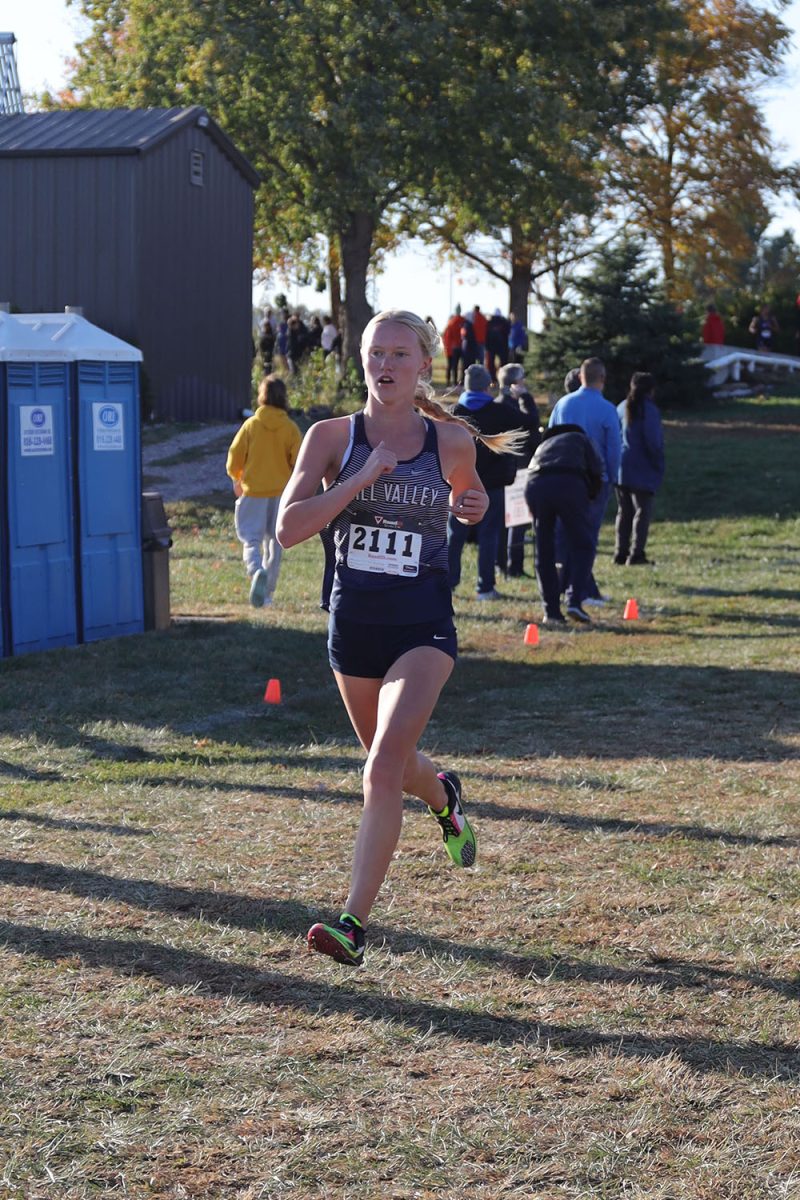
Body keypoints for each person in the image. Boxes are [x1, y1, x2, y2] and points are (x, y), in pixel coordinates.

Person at [277, 309, 520, 968]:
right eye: (375, 354)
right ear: (362, 362)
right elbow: (289, 529)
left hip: (423, 626)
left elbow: (470, 501)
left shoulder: (449, 441)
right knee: (401, 768)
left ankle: (353, 923)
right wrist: (359, 477)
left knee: (381, 768)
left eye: (399, 355)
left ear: (422, 367)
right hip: (353, 625)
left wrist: (473, 506)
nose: (386, 366)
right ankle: (444, 797)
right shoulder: (330, 436)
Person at [447, 362, 535, 599]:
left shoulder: (454, 412)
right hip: (493, 485)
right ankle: (485, 587)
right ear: (488, 387)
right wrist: (525, 398)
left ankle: (447, 583)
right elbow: (530, 424)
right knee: (489, 536)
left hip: (459, 483)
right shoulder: (501, 412)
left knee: (454, 536)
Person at [548, 357, 621, 623]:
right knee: (586, 538)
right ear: (602, 379)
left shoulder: (563, 404)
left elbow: (551, 439)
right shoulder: (607, 409)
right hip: (593, 481)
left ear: (580, 377)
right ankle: (582, 591)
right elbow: (613, 448)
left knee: (564, 536)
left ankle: (564, 587)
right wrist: (611, 478)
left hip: (562, 478)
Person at [226, 375, 302, 608]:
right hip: (280, 494)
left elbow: (234, 458)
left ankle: (255, 569)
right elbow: (299, 462)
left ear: (262, 396)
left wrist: (236, 478)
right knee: (275, 545)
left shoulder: (251, 426)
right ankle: (267, 594)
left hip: (253, 492)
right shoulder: (290, 428)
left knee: (251, 539)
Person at [525, 423, 604, 625]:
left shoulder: (544, 445)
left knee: (544, 549)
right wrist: (590, 498)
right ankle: (574, 600)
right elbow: (596, 471)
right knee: (583, 545)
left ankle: (550, 612)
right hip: (570, 484)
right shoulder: (582, 440)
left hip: (535, 484)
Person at [614, 372, 665, 566]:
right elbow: (653, 441)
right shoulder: (649, 411)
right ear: (651, 391)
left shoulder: (621, 407)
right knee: (642, 511)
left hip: (621, 466)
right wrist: (658, 463)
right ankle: (636, 554)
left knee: (624, 511)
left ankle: (620, 552)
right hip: (642, 466)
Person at [496, 362, 541, 577]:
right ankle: (513, 566)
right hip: (517, 468)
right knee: (517, 521)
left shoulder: (497, 403)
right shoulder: (512, 407)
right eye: (522, 379)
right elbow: (531, 423)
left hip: (502, 470)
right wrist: (526, 398)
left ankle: (502, 563)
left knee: (505, 522)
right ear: (516, 383)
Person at [485, 309, 510, 382]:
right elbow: (507, 333)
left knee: (491, 364)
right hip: (502, 346)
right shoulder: (504, 322)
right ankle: (503, 378)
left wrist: (487, 345)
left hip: (491, 346)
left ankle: (492, 378)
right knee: (503, 363)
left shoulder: (489, 322)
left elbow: (486, 334)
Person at [442, 309, 463, 387]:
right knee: (453, 366)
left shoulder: (449, 327)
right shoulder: (452, 325)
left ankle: (449, 382)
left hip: (450, 350)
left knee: (451, 366)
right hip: (453, 349)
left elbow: (445, 339)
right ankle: (452, 382)